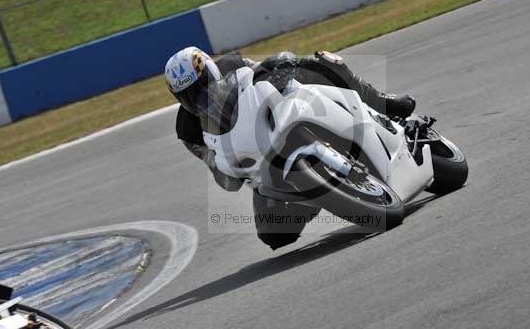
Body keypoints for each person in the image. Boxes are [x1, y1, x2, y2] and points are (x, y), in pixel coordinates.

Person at [165, 47, 416, 250]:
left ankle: (383, 102)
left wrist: (281, 66)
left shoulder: (232, 65)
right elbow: (223, 177)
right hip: (262, 164)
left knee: (322, 63)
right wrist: (223, 167)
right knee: (274, 235)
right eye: (187, 96)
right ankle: (318, 194)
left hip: (281, 115)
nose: (198, 97)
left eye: (202, 84)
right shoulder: (188, 131)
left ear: (211, 70)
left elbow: (262, 69)